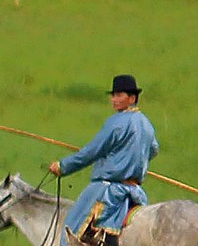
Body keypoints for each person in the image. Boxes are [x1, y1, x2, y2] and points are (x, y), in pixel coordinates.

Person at [51, 75, 158, 237]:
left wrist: (62, 166)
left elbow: (91, 152)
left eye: (119, 95)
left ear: (132, 98)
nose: (114, 99)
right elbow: (154, 149)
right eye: (113, 95)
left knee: (72, 230)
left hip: (108, 190)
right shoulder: (147, 125)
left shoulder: (116, 123)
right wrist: (132, 158)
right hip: (136, 191)